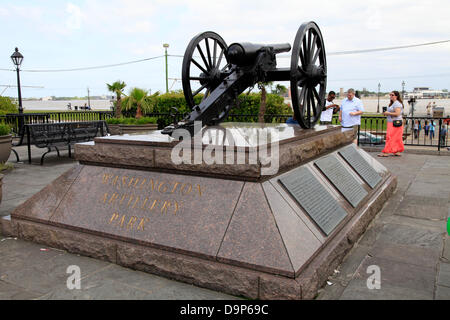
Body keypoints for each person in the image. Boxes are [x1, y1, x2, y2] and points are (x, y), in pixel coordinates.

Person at [378, 90, 404, 157]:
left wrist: (388, 113)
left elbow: (397, 113)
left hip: (394, 123)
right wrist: (386, 113)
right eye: (390, 95)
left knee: (390, 137)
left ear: (396, 96)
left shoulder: (397, 104)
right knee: (396, 137)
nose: (391, 96)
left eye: (392, 95)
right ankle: (397, 151)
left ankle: (386, 152)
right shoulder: (394, 103)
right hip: (394, 122)